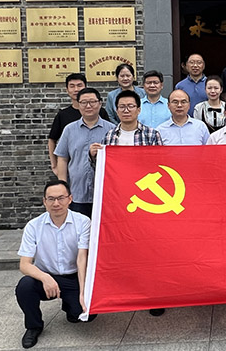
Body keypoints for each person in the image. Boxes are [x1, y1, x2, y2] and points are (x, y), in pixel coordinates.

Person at [89, 89, 165, 317]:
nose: (126, 110)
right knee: (127, 248)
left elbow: (161, 165)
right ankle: (130, 292)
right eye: (122, 107)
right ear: (116, 110)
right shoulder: (109, 137)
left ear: (139, 110)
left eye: (131, 106)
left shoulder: (151, 135)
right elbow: (102, 171)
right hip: (120, 202)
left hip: (148, 202)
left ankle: (155, 295)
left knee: (151, 250)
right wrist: (94, 156)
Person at [15, 180, 95, 349]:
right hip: (47, 277)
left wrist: (83, 292)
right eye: (51, 199)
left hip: (74, 277)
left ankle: (70, 304)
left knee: (86, 315)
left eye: (61, 198)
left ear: (70, 199)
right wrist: (45, 278)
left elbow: (82, 258)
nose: (56, 203)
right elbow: (24, 264)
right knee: (25, 286)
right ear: (44, 201)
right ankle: (34, 326)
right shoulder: (33, 226)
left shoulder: (83, 222)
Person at [54, 88, 115, 218]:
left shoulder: (112, 130)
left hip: (104, 192)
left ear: (100, 103)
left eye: (92, 102)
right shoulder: (69, 129)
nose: (88, 106)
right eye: (83, 102)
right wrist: (62, 186)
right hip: (77, 192)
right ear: (78, 104)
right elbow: (62, 158)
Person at [48, 73, 110, 176]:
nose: (76, 89)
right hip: (74, 172)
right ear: (67, 90)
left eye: (79, 85)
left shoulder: (101, 112)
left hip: (101, 173)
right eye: (72, 86)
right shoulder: (63, 116)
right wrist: (54, 165)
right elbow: (52, 140)